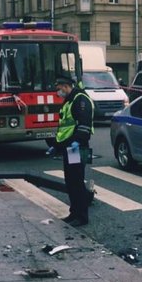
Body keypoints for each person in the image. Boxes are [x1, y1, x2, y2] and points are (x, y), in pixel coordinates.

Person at [51, 75, 94, 227]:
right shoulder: (69, 100)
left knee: (76, 182)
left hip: (77, 147)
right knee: (70, 181)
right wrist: (56, 145)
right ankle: (74, 213)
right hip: (70, 147)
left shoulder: (80, 99)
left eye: (59, 88)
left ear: (65, 86)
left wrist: (77, 141)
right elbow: (65, 127)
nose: (58, 91)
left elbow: (84, 124)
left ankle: (82, 217)